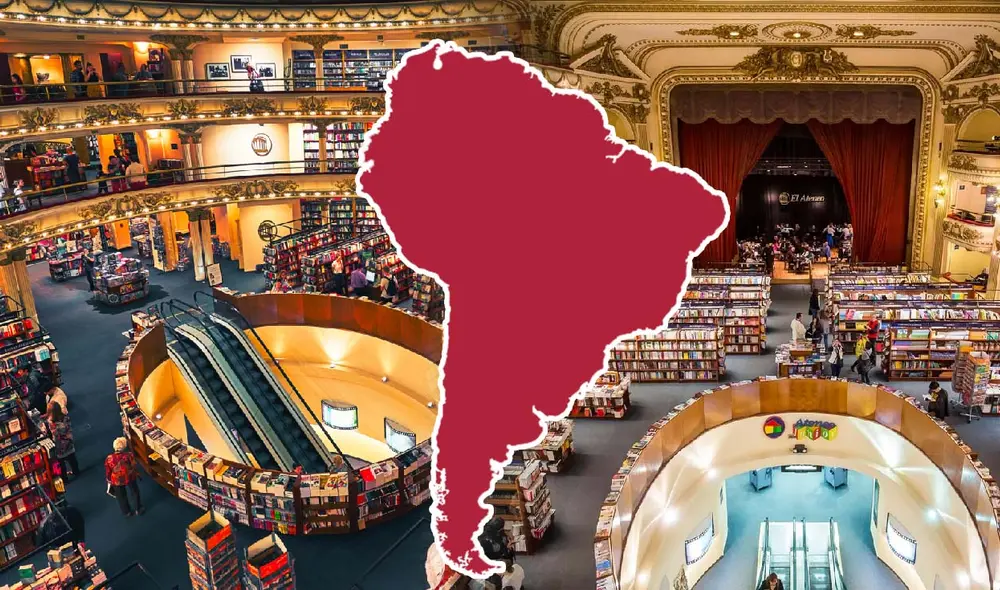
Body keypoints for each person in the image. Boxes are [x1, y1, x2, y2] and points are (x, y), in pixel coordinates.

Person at [105, 437, 143, 517]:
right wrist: (137, 474)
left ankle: (127, 512)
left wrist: (109, 480)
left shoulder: (109, 458)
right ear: (124, 446)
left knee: (121, 496)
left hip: (117, 479)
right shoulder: (129, 455)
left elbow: (108, 471)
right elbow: (133, 465)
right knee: (134, 492)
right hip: (129, 476)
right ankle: (138, 509)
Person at [47, 403, 78, 479]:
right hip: (68, 440)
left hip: (59, 444)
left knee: (61, 462)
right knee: (72, 458)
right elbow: (69, 427)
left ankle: (65, 478)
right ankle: (76, 471)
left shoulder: (51, 422)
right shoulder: (65, 417)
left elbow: (55, 433)